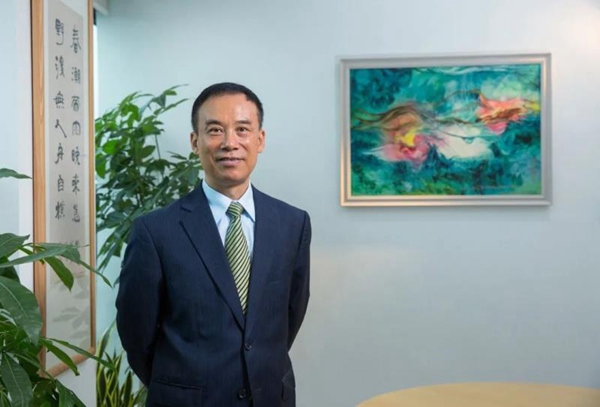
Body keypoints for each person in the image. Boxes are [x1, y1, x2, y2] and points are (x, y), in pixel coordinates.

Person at [116, 82, 311, 407]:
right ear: (196, 141)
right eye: (215, 130)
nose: (230, 143)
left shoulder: (292, 224)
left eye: (242, 129)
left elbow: (291, 315)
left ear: (260, 140)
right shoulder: (155, 231)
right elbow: (136, 334)